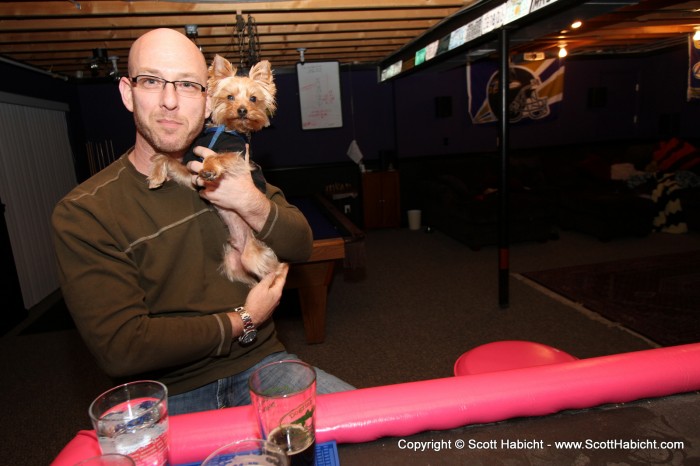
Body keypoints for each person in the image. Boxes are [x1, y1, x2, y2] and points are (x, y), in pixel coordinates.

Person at [51, 28, 353, 415]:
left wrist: (250, 200)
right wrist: (244, 318)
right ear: (127, 92)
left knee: (377, 431)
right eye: (151, 81)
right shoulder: (84, 212)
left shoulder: (241, 168)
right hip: (164, 392)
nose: (171, 101)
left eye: (188, 85)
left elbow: (300, 244)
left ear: (205, 95)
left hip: (260, 364)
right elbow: (122, 348)